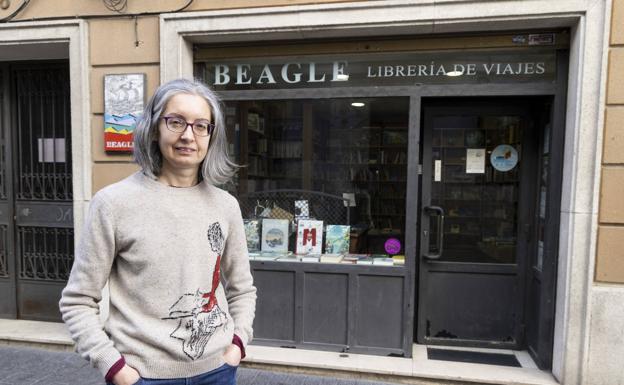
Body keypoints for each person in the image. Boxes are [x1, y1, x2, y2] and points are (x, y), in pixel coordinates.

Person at [59, 78, 257, 385]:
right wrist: (115, 369)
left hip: (217, 371)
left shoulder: (225, 206)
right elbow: (77, 300)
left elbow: (242, 288)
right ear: (154, 127)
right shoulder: (113, 204)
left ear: (211, 136)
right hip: (143, 377)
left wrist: (237, 345)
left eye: (201, 126)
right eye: (176, 122)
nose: (188, 135)